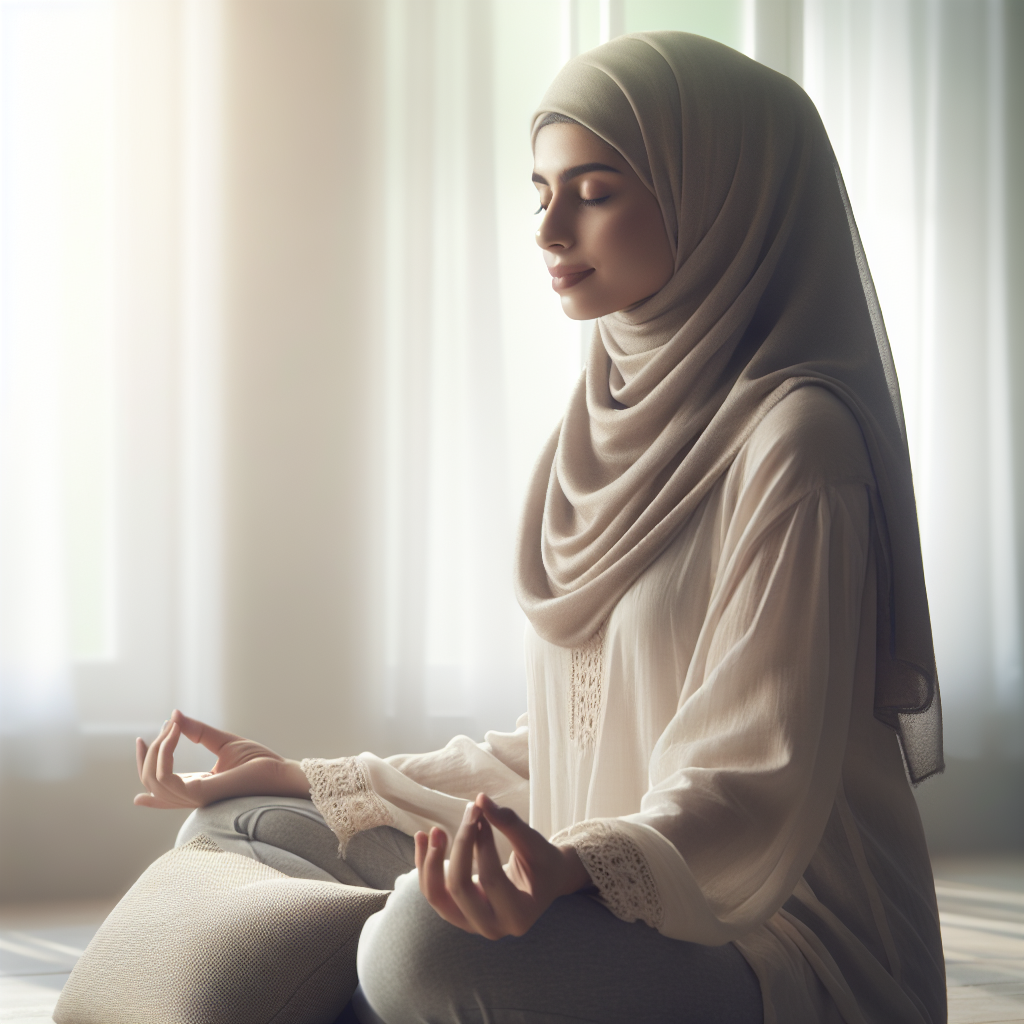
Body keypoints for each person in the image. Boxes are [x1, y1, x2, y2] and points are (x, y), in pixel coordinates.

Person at [134, 31, 947, 1024]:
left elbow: (750, 779)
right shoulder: (605, 415)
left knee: (418, 947)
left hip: (771, 940)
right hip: (591, 879)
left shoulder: (798, 439)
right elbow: (567, 744)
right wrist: (316, 776)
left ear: (719, 196)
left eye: (595, 192)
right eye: (541, 191)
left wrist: (573, 865)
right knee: (244, 824)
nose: (549, 227)